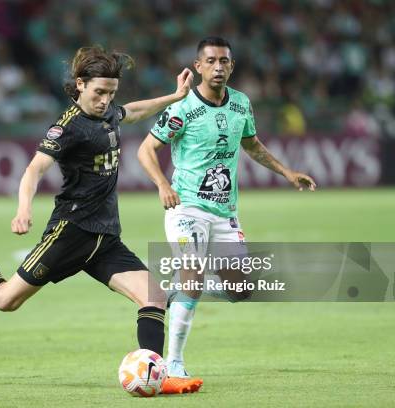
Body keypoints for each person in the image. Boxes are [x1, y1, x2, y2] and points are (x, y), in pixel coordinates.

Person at [0, 46, 202, 394]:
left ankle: (156, 375)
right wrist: (24, 209)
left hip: (105, 238)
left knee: (153, 297)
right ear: (80, 85)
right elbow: (35, 169)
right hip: (70, 232)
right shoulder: (67, 128)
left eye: (110, 93)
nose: (105, 100)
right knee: (4, 300)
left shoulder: (108, 114)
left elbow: (132, 112)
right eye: (98, 93)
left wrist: (176, 95)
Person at [137, 37, 316, 381]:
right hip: (185, 209)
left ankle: (186, 290)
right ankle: (173, 362)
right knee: (191, 270)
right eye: (211, 61)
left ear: (231, 66)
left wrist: (286, 172)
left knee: (242, 290)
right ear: (198, 66)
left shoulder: (241, 104)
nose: (218, 67)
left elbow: (251, 144)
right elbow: (146, 149)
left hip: (224, 213)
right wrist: (163, 184)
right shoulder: (182, 107)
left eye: (224, 61)